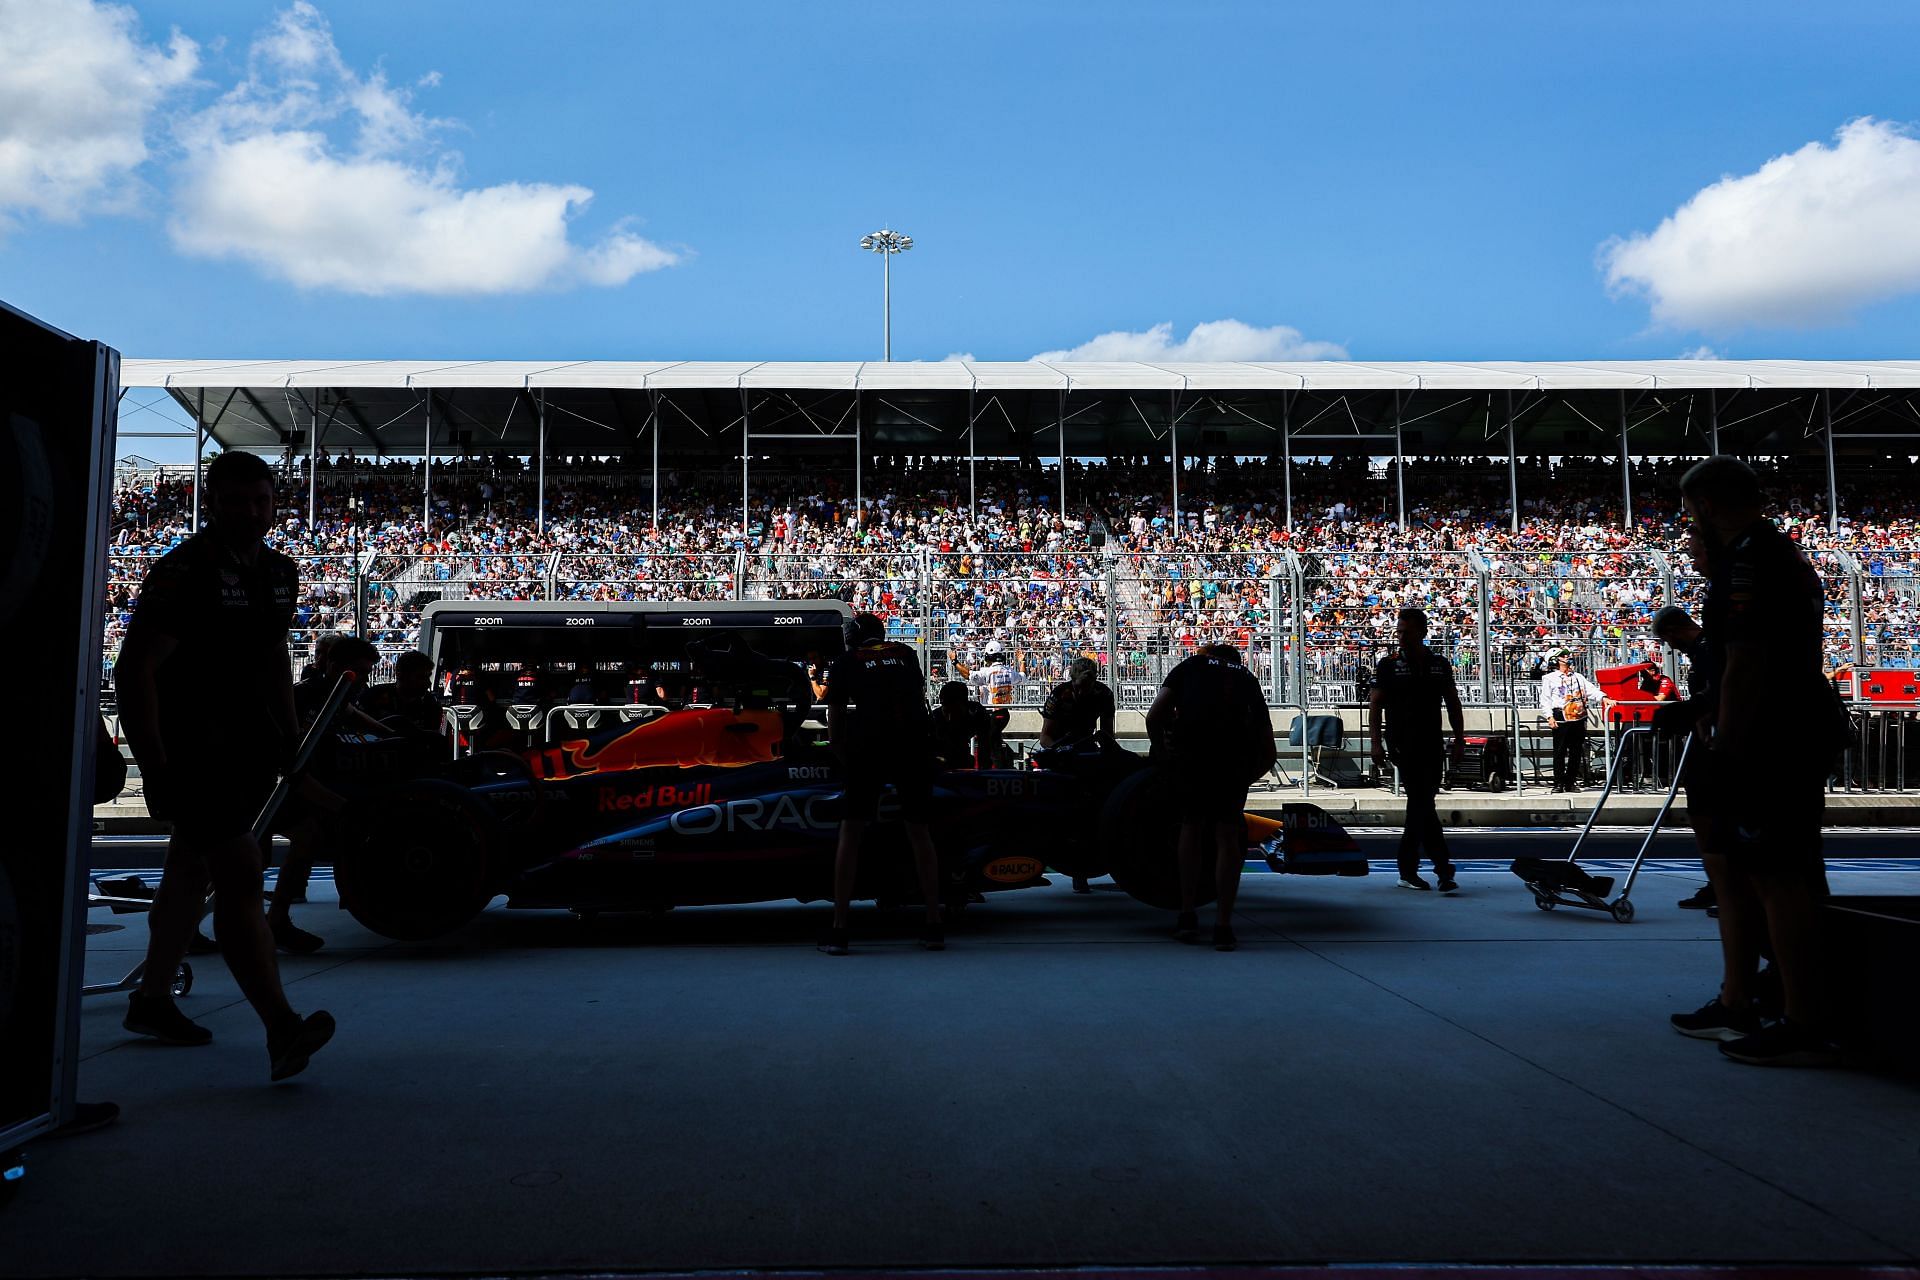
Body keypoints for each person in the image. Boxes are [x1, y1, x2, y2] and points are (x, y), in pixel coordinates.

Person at [113, 449, 336, 1081]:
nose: (251, 512)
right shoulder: (184, 572)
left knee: (188, 869)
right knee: (240, 875)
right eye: (237, 501)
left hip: (243, 747)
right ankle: (281, 1027)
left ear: (274, 504)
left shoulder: (278, 572)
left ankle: (152, 1001)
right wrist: (153, 759)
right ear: (212, 503)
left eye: (262, 501)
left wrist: (290, 739)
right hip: (190, 749)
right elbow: (137, 670)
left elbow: (271, 659)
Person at [1672, 456, 1841, 1066]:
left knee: (1778, 875)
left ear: (1708, 505)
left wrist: (1728, 747)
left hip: (1773, 737)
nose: (1689, 523)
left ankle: (1805, 1018)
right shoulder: (1767, 552)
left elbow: (1747, 662)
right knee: (1743, 870)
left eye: (1691, 512)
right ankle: (1744, 998)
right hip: (1774, 729)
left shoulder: (1752, 558)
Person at [820, 612, 945, 956]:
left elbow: (835, 710)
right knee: (919, 832)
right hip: (912, 744)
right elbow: (916, 696)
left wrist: (838, 748)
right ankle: (934, 923)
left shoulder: (846, 661)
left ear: (853, 637)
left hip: (869, 744)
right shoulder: (905, 653)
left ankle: (840, 930)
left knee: (851, 832)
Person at [1145, 642, 1276, 951]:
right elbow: (1268, 749)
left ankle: (1187, 915)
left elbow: (1154, 716)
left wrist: (1163, 754)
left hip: (1192, 758)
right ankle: (1223, 925)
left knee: (1191, 827)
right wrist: (1247, 775)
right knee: (1227, 837)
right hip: (1231, 763)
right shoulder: (1246, 676)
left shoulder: (1192, 665)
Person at [267, 634, 381, 954]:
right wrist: (339, 805)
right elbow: (290, 764)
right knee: (239, 855)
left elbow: (349, 713)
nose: (363, 680)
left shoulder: (337, 693)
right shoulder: (303, 696)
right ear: (333, 665)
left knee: (306, 837)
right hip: (257, 781)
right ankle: (193, 924)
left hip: (283, 779)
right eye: (359, 671)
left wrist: (392, 733)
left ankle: (274, 919)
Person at [1369, 608, 1467, 893]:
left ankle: (1414, 870)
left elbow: (1452, 702)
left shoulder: (1438, 663)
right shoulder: (1388, 664)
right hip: (1402, 742)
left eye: (1406, 632)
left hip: (1431, 741)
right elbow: (1376, 706)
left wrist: (1460, 739)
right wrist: (1376, 743)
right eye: (1398, 632)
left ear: (1422, 633)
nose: (1400, 637)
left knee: (1423, 806)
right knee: (1421, 801)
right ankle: (1441, 870)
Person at [1040, 656, 1119, 893]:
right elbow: (1045, 736)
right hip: (1060, 747)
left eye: (1088, 685)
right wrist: (1057, 750)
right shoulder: (1059, 694)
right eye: (1079, 686)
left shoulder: (1103, 694)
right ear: (1072, 680)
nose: (1083, 690)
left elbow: (1107, 733)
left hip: (1086, 746)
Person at [1539, 652, 1604, 791]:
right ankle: (1558, 783)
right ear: (1556, 660)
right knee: (1560, 751)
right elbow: (1545, 700)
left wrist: (1604, 698)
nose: (1568, 657)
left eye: (1567, 655)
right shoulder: (1549, 678)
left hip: (1578, 716)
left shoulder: (1578, 677)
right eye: (1563, 655)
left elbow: (1591, 691)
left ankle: (1570, 782)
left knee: (1576, 751)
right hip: (1561, 715)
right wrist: (1549, 717)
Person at [929, 680, 1000, 769]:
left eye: (954, 710)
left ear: (964, 704)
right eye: (946, 711)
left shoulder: (977, 714)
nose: (950, 717)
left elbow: (986, 747)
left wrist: (984, 773)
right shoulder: (935, 718)